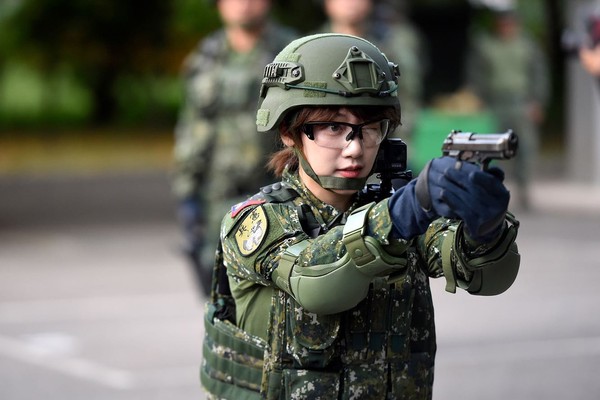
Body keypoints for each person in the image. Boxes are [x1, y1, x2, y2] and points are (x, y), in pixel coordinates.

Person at [200, 33, 521, 399]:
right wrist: (402, 213)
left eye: (369, 128)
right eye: (334, 127)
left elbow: (489, 277)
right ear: (289, 132)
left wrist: (486, 229)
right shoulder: (258, 221)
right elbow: (317, 283)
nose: (355, 148)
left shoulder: (402, 209)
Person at [171, 0, 297, 296]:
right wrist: (187, 192)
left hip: (278, 193)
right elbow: (191, 126)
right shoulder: (205, 58)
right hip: (218, 197)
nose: (244, 5)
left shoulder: (292, 53)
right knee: (220, 300)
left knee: (278, 297)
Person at [465, 8, 549, 210]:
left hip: (521, 103)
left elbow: (539, 75)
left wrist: (538, 101)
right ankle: (491, 191)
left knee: (525, 148)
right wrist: (477, 98)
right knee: (490, 150)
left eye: (509, 23)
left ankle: (525, 192)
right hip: (495, 104)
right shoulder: (486, 45)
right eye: (502, 23)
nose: (506, 27)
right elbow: (476, 74)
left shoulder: (527, 45)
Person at [317, 0, 426, 139]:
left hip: (380, 137)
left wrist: (401, 136)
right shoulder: (312, 48)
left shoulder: (391, 44)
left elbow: (407, 94)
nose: (350, 3)